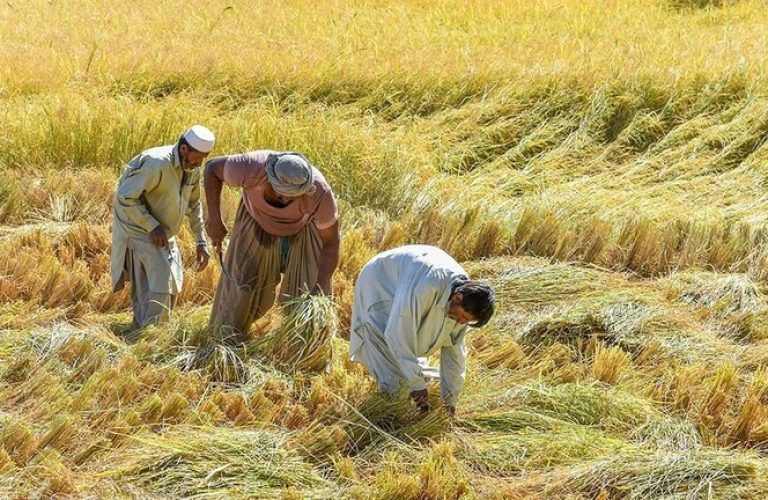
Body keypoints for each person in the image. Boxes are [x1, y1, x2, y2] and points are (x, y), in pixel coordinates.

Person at [204, 150, 340, 342]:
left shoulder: (319, 193)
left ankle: (305, 349)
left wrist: (320, 286)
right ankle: (224, 339)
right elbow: (212, 169)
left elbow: (331, 243)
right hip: (255, 218)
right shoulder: (251, 168)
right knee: (241, 283)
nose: (286, 200)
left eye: (293, 197)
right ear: (269, 178)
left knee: (308, 293)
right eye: (282, 194)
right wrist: (215, 219)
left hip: (303, 228)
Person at [349, 245, 495, 415]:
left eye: (468, 321)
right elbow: (398, 334)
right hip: (380, 283)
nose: (462, 322)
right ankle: (388, 413)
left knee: (412, 368)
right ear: (457, 297)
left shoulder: (465, 298)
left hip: (410, 281)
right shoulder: (426, 286)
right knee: (394, 379)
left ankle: (413, 378)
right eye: (464, 317)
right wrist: (417, 386)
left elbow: (454, 352)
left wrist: (450, 400)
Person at [111, 125, 215, 327]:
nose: (200, 162)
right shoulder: (156, 164)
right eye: (198, 157)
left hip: (164, 232)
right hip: (138, 228)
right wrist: (151, 226)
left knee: (173, 282)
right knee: (158, 283)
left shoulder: (191, 168)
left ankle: (156, 330)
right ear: (184, 149)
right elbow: (125, 197)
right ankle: (146, 335)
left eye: (204, 158)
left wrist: (201, 241)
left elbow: (194, 205)